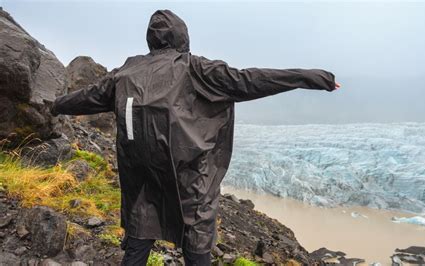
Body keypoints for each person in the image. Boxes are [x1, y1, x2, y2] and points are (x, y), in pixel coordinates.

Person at [51, 9, 341, 266]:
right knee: (197, 239)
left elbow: (88, 97)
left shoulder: (127, 71)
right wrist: (312, 77)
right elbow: (250, 80)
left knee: (141, 231)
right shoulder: (195, 68)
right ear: (182, 37)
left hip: (142, 177)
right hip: (188, 178)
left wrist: (54, 104)